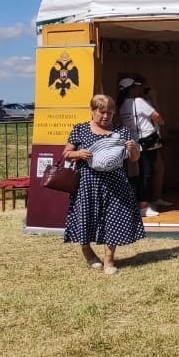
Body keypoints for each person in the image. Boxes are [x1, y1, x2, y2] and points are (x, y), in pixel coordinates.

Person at [62, 94, 143, 274]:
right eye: (101, 112)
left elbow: (135, 159)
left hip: (116, 183)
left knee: (113, 219)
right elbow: (66, 153)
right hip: (87, 183)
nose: (105, 116)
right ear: (92, 111)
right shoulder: (80, 129)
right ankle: (87, 252)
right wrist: (78, 154)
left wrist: (133, 149)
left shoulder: (122, 132)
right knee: (86, 217)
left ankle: (109, 260)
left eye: (109, 113)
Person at [117, 77, 165, 217]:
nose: (138, 89)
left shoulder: (121, 105)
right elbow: (157, 116)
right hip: (147, 141)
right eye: (136, 86)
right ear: (131, 88)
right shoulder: (138, 101)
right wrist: (153, 100)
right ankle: (143, 205)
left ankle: (144, 201)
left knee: (143, 172)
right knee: (147, 173)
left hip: (134, 142)